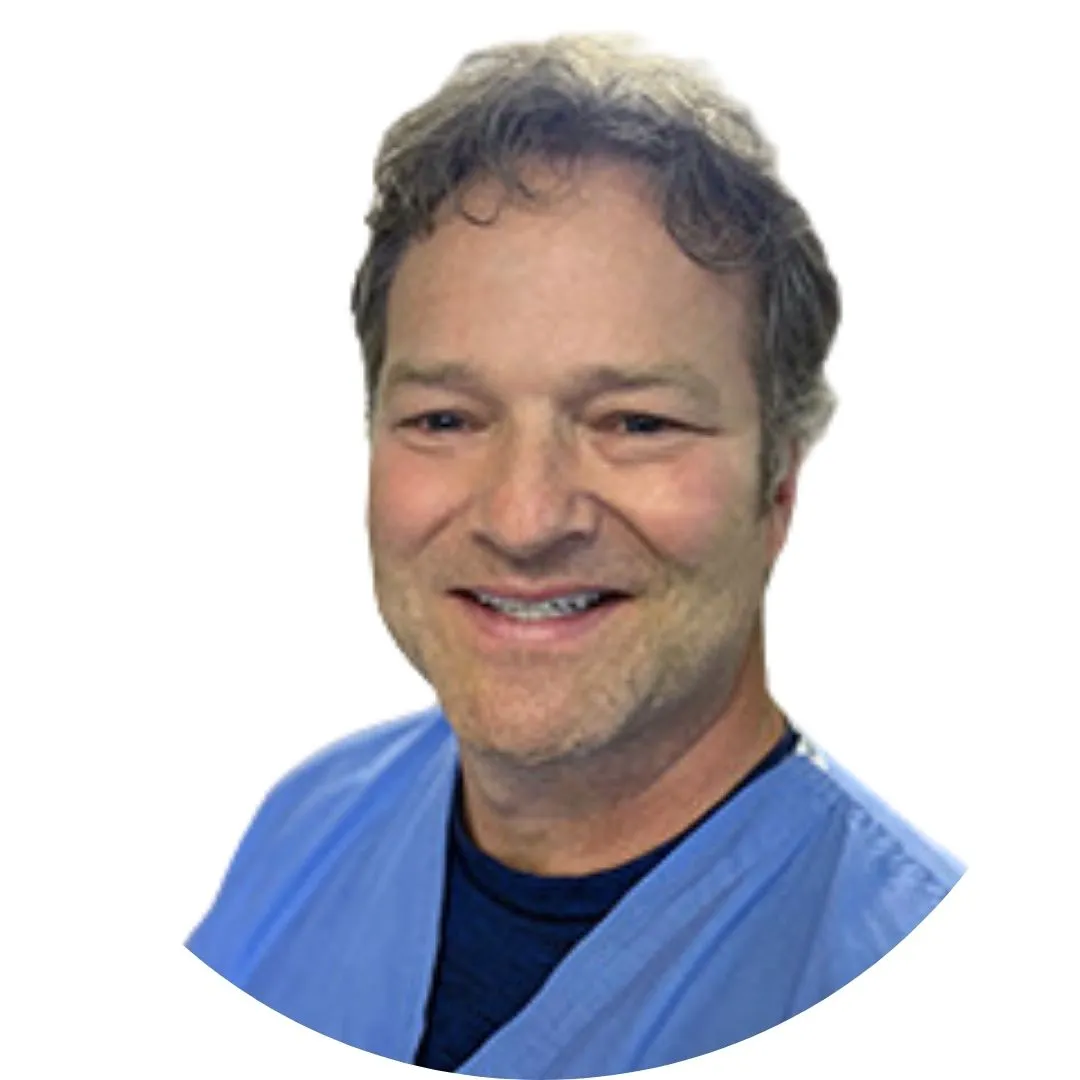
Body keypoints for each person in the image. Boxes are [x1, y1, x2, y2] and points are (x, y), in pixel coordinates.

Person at [186, 32, 964, 1077]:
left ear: (778, 482)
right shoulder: (307, 830)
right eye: (445, 419)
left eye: (635, 423)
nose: (524, 516)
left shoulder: (922, 986)